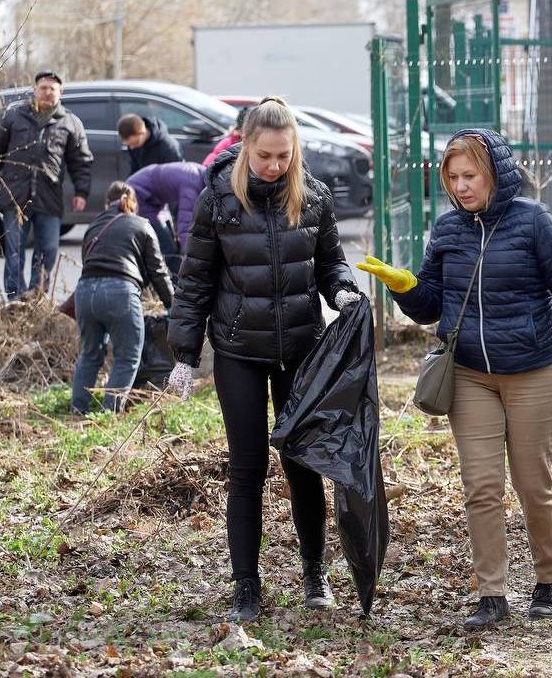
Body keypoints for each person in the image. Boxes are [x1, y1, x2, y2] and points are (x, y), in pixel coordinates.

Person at [358, 128, 552, 630]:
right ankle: (491, 593)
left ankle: (548, 577)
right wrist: (406, 288)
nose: (460, 186)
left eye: (469, 175)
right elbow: (431, 303)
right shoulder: (448, 230)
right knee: (481, 486)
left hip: (532, 371)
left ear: (494, 172)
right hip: (469, 374)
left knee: (532, 483)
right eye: (452, 178)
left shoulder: (534, 222)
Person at [164, 97, 363, 623]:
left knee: (302, 465)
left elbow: (331, 264)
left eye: (283, 156)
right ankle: (246, 586)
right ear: (245, 146)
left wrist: (342, 292)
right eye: (265, 156)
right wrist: (184, 352)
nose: (275, 165)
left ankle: (314, 573)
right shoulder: (220, 201)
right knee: (247, 468)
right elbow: (195, 279)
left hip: (301, 351)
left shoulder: (313, 196)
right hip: (239, 352)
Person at [0, 69, 93, 301]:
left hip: (49, 197)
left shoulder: (70, 122)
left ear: (60, 92)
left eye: (52, 88)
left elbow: (81, 161)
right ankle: (15, 299)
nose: (47, 92)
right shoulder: (14, 116)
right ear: (35, 90)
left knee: (48, 251)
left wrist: (81, 191)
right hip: (16, 196)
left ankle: (35, 297)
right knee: (14, 252)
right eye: (43, 88)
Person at [70, 181, 174, 414]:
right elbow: (158, 271)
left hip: (85, 292)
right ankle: (110, 413)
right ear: (133, 204)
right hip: (120, 293)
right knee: (127, 356)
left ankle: (78, 410)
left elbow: (88, 264)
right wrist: (174, 307)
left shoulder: (93, 227)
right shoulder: (141, 225)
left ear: (107, 203)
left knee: (89, 354)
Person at [126, 161, 207, 277]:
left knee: (171, 241)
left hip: (156, 200)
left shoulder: (199, 173)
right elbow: (186, 223)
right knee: (167, 247)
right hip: (139, 194)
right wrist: (191, 255)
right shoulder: (192, 184)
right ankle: (174, 286)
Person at [116, 113, 184, 175]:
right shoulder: (133, 146)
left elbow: (177, 178)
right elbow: (134, 172)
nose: (132, 147)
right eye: (128, 144)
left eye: (135, 143)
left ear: (142, 132)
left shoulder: (169, 147)